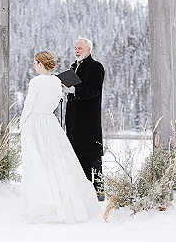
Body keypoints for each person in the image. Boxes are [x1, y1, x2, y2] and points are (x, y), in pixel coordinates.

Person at [20, 51, 102, 224]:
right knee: (56, 161)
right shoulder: (58, 82)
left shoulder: (36, 82)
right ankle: (64, 199)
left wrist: (22, 122)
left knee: (37, 162)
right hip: (51, 122)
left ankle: (43, 204)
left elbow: (28, 105)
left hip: (36, 121)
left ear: (40, 63)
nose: (34, 66)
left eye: (35, 62)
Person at [64, 37, 105, 200]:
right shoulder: (74, 67)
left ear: (88, 50)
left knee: (93, 156)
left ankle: (99, 190)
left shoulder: (96, 67)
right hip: (74, 120)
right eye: (75, 48)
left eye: (80, 48)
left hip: (89, 120)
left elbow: (94, 90)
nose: (76, 51)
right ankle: (84, 190)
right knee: (78, 155)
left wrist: (74, 91)